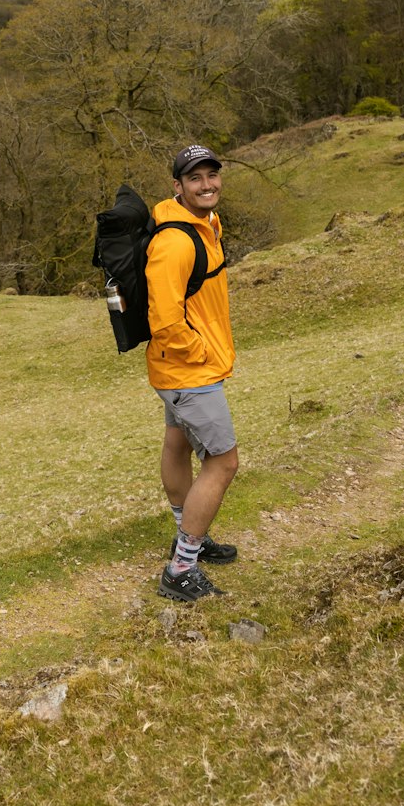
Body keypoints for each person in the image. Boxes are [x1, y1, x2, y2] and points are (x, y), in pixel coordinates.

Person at [146, 143, 239, 601]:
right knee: (223, 462)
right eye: (195, 179)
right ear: (177, 187)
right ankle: (181, 568)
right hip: (189, 373)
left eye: (212, 175)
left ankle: (189, 540)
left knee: (178, 444)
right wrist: (200, 352)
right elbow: (164, 319)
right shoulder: (175, 241)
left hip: (182, 372)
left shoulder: (206, 224)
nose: (207, 185)